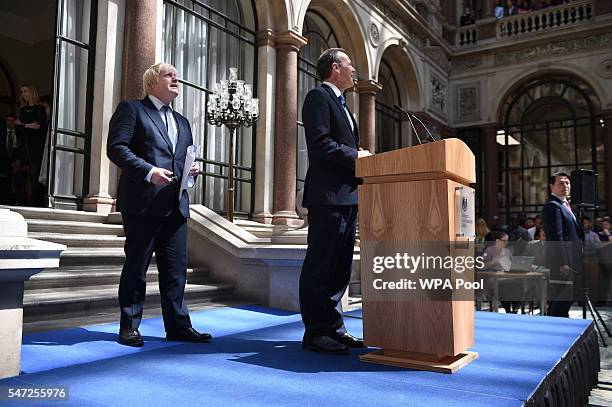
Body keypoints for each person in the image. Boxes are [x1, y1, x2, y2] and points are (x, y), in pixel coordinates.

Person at [107, 62, 208, 347]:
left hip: (176, 205)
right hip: (141, 203)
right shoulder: (131, 109)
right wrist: (149, 172)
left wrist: (191, 173)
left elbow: (182, 159)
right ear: (152, 82)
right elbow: (116, 148)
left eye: (177, 74)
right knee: (137, 267)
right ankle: (129, 326)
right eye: (169, 75)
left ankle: (178, 326)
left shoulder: (184, 122)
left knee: (176, 270)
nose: (177, 78)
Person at [299, 48, 372, 355]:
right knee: (321, 264)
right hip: (327, 197)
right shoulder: (318, 98)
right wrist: (357, 156)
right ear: (334, 68)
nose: (354, 70)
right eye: (349, 64)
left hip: (348, 197)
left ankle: (334, 327)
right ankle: (315, 332)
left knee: (340, 267)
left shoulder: (345, 107)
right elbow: (320, 144)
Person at [541, 172, 583, 317]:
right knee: (561, 300)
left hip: (572, 259)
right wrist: (562, 262)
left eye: (567, 183)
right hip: (562, 263)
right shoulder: (553, 206)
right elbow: (555, 237)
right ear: (551, 186)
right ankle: (555, 330)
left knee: (563, 300)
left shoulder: (565, 204)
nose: (565, 186)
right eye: (560, 183)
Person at [15, 84, 46, 206]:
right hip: (23, 146)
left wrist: (22, 125)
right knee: (16, 171)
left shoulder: (40, 108)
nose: (23, 94)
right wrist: (27, 125)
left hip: (35, 146)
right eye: (22, 92)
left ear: (32, 92)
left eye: (26, 91)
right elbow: (17, 128)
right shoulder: (22, 110)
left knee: (33, 175)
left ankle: (33, 203)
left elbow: (38, 127)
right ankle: (18, 199)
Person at [0, 115, 18, 204]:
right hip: (2, 161)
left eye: (12, 120)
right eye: (7, 120)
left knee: (11, 184)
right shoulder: (2, 133)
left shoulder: (18, 133)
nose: (9, 122)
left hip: (13, 162)